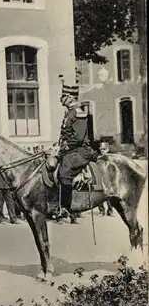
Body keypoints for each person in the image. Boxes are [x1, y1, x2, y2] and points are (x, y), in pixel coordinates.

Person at [55, 83, 97, 219]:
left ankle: (65, 207)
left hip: (81, 150)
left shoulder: (79, 112)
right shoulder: (70, 112)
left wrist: (63, 149)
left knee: (64, 172)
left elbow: (78, 138)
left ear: (70, 98)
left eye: (63, 97)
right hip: (71, 148)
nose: (60, 99)